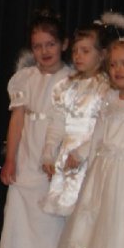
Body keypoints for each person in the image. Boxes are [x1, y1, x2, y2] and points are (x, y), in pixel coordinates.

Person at [54, 14, 124, 248]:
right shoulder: (109, 100)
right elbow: (98, 136)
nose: (118, 70)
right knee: (101, 229)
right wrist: (81, 154)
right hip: (104, 175)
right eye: (113, 64)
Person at [0, 9, 71, 248]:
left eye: (50, 44)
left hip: (53, 159)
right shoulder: (24, 78)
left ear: (64, 44)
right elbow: (17, 120)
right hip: (26, 159)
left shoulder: (71, 80)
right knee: (19, 218)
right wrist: (10, 159)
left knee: (49, 222)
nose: (44, 51)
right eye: (37, 46)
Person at [40, 23, 109, 217]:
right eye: (75, 51)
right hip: (66, 158)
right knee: (67, 214)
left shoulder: (106, 88)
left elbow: (105, 128)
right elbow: (57, 123)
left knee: (87, 213)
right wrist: (48, 153)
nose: (78, 56)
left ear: (102, 54)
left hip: (91, 156)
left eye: (85, 51)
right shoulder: (67, 86)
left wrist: (82, 152)